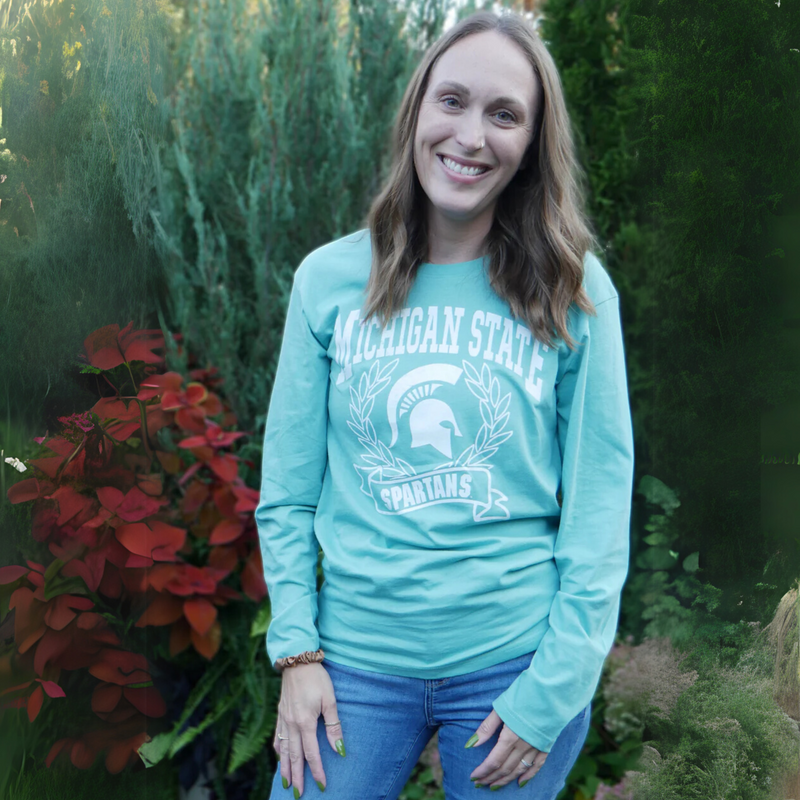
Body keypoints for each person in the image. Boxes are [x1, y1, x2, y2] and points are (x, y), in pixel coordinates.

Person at [256, 9, 635, 799]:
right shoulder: (327, 282)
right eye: (453, 101)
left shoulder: (574, 290)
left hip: (513, 671)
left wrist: (553, 691)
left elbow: (599, 510)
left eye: (504, 115)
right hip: (351, 666)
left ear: (530, 144)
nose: (471, 135)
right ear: (417, 112)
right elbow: (287, 495)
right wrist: (296, 655)